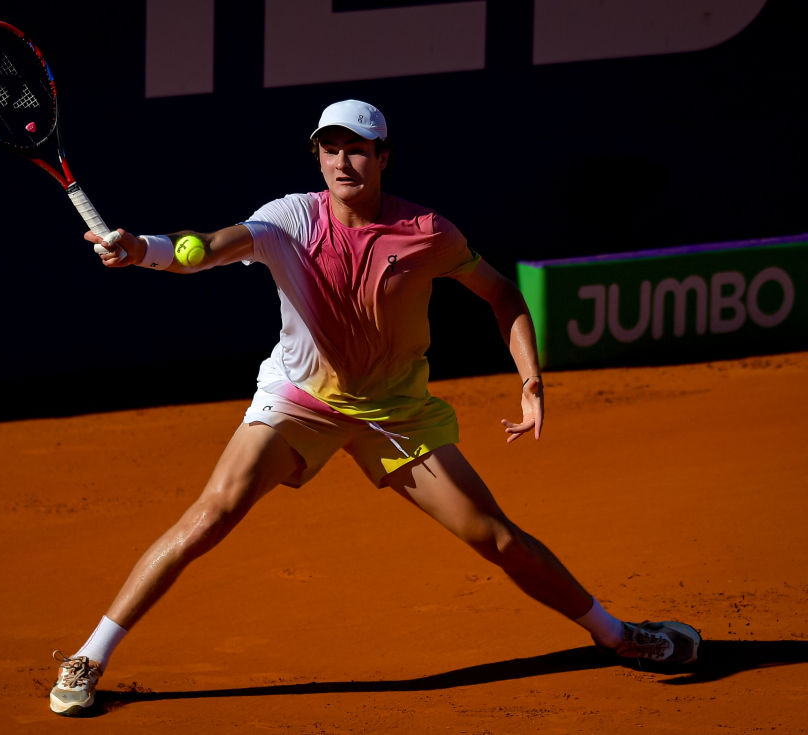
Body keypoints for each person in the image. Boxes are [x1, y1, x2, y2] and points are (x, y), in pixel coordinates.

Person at [48, 100, 701, 716]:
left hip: (395, 412)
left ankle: (618, 636)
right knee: (211, 514)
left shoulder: (428, 232)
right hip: (301, 399)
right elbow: (207, 246)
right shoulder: (288, 220)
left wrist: (530, 382)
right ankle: (87, 658)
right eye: (329, 149)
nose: (341, 162)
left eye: (357, 150)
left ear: (384, 157)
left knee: (499, 539)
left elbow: (501, 294)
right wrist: (147, 251)